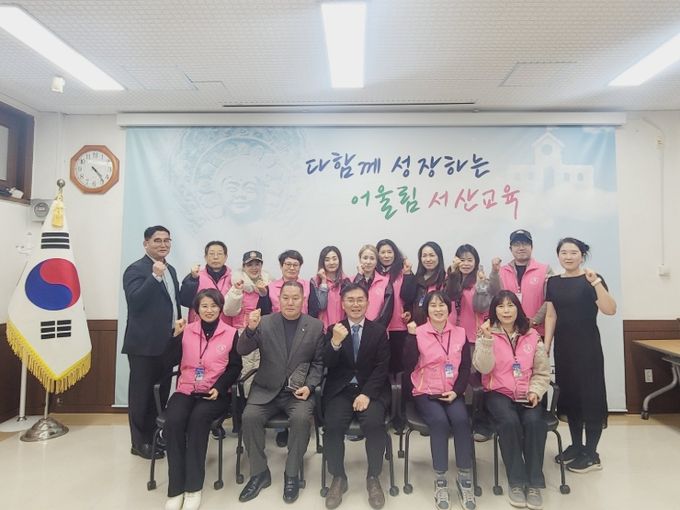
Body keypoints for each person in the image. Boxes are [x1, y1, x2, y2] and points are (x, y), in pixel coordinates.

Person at [237, 281, 324, 504]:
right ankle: (259, 473)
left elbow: (318, 363)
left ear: (303, 300)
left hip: (297, 392)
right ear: (279, 299)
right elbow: (242, 349)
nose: (290, 302)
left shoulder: (315, 326)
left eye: (295, 298)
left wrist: (310, 386)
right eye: (286, 297)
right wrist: (250, 329)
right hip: (265, 389)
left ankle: (291, 474)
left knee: (301, 419)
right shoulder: (264, 322)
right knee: (249, 417)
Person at [163, 289, 242, 510]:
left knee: (198, 420)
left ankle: (193, 488)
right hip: (186, 389)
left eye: (214, 306)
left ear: (220, 308)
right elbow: (169, 361)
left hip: (214, 393)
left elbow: (235, 367)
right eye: (204, 306)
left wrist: (219, 387)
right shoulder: (187, 330)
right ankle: (175, 488)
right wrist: (175, 337)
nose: (209, 310)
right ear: (197, 309)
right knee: (174, 421)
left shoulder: (230, 333)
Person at [544, 238, 616, 474]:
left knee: (590, 397)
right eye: (563, 252)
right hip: (564, 348)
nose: (568, 256)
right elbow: (551, 315)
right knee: (571, 396)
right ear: (558, 255)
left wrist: (596, 282)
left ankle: (592, 454)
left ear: (582, 256)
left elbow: (610, 309)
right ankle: (576, 446)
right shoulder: (553, 282)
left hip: (588, 348)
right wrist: (546, 345)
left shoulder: (592, 279)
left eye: (573, 252)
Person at [473, 290, 550, 510]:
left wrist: (535, 391)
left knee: (535, 422)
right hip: (498, 392)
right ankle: (516, 481)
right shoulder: (486, 333)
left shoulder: (532, 335)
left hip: (527, 392)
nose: (506, 311)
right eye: (501, 306)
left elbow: (542, 372)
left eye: (510, 305)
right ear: (494, 311)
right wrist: (487, 340)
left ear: (518, 308)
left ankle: (534, 483)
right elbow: (483, 368)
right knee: (509, 422)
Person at [403, 291, 476, 510]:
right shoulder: (418, 332)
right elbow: (407, 365)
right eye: (433, 305)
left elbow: (465, 367)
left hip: (451, 391)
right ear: (427, 310)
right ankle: (441, 479)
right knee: (439, 422)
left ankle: (464, 477)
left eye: (442, 305)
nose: (438, 309)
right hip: (426, 391)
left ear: (448, 308)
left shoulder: (460, 333)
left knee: (461, 420)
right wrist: (410, 337)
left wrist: (457, 391)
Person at [322, 283, 391, 510]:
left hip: (370, 390)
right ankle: (338, 477)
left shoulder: (378, 331)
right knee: (332, 426)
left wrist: (367, 394)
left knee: (374, 425)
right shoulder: (334, 329)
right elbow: (326, 363)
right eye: (350, 300)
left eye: (360, 299)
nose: (355, 304)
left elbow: (382, 368)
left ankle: (373, 477)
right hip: (340, 390)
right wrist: (335, 342)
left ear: (367, 303)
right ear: (342, 304)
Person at [122, 225, 184, 460]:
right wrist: (154, 276)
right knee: (141, 395)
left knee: (161, 392)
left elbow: (172, 302)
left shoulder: (171, 269)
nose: (163, 244)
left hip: (168, 342)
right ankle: (139, 443)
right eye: (157, 240)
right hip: (144, 345)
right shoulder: (136, 269)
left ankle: (155, 435)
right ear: (146, 243)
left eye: (167, 240)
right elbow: (135, 301)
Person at [223, 250, 273, 398]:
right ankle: (245, 401)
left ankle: (262, 401)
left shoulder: (270, 284)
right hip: (243, 332)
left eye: (257, 264)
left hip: (266, 333)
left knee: (265, 367)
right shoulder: (237, 283)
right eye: (250, 264)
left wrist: (264, 293)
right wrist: (236, 292)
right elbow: (229, 311)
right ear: (244, 267)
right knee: (246, 368)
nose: (254, 267)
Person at [498, 230, 553, 335]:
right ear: (510, 249)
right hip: (508, 332)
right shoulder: (501, 272)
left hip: (537, 331)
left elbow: (551, 299)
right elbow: (495, 300)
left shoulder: (545, 270)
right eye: (517, 244)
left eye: (525, 244)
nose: (521, 248)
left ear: (532, 247)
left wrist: (535, 321)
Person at [446, 243, 501, 347]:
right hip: (452, 333)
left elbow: (482, 307)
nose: (466, 264)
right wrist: (452, 273)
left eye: (470, 260)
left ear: (476, 262)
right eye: (462, 260)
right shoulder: (450, 278)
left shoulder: (481, 281)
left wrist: (481, 285)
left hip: (473, 334)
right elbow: (450, 296)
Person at [376, 239, 413, 374]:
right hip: (379, 325)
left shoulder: (403, 271)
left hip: (398, 324)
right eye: (382, 252)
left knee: (398, 364)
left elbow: (409, 297)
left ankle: (398, 387)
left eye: (389, 252)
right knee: (381, 364)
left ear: (395, 253)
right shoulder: (374, 273)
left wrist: (408, 274)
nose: (386, 256)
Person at [180, 241, 232, 324]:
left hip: (225, 326)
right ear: (205, 257)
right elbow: (184, 301)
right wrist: (193, 280)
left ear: (226, 257)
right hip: (199, 326)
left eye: (219, 254)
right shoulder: (195, 276)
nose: (215, 257)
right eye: (211, 254)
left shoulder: (234, 278)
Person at [402, 241, 448, 325]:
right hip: (416, 326)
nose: (428, 259)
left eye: (432, 255)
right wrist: (409, 312)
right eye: (424, 256)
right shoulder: (416, 278)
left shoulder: (445, 279)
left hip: (437, 326)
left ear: (439, 257)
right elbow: (408, 299)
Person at [309, 246, 351, 330]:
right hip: (322, 329)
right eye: (327, 260)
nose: (331, 263)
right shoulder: (315, 282)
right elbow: (321, 305)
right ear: (322, 262)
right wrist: (324, 281)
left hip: (342, 328)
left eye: (334, 259)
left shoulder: (346, 281)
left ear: (339, 260)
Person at [353, 244, 394, 328]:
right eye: (365, 258)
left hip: (378, 330)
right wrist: (359, 276)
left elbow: (387, 312)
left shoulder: (385, 282)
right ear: (360, 259)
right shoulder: (351, 281)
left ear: (376, 261)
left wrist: (375, 329)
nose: (368, 262)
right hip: (355, 329)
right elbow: (352, 298)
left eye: (372, 258)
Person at [269, 250, 311, 314]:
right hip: (276, 320)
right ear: (281, 266)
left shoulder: (309, 286)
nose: (292, 268)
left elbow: (313, 311)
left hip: (304, 320)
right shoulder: (270, 287)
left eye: (295, 265)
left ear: (300, 267)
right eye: (288, 264)